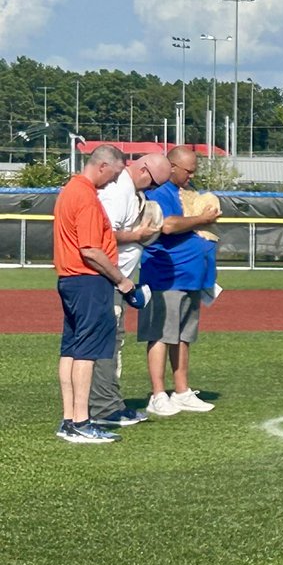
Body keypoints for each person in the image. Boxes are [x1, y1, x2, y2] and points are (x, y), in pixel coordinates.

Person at [53, 145, 140, 443]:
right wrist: (122, 280)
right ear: (102, 166)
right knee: (86, 352)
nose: (114, 181)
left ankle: (69, 419)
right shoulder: (87, 197)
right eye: (115, 174)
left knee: (71, 349)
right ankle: (81, 421)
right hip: (89, 281)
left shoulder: (70, 190)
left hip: (70, 280)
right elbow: (90, 250)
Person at [87, 153, 171, 427]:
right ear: (144, 170)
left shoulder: (129, 190)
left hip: (113, 279)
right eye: (154, 183)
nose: (153, 189)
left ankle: (107, 404)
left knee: (111, 341)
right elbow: (100, 236)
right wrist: (137, 236)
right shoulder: (120, 190)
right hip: (106, 278)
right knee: (107, 343)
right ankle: (104, 408)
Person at [138, 147, 221, 416]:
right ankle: (158, 394)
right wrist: (202, 219)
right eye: (188, 171)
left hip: (190, 277)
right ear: (172, 167)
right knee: (161, 334)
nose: (192, 175)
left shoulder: (186, 191)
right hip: (165, 276)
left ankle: (182, 391)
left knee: (183, 336)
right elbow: (168, 225)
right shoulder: (160, 192)